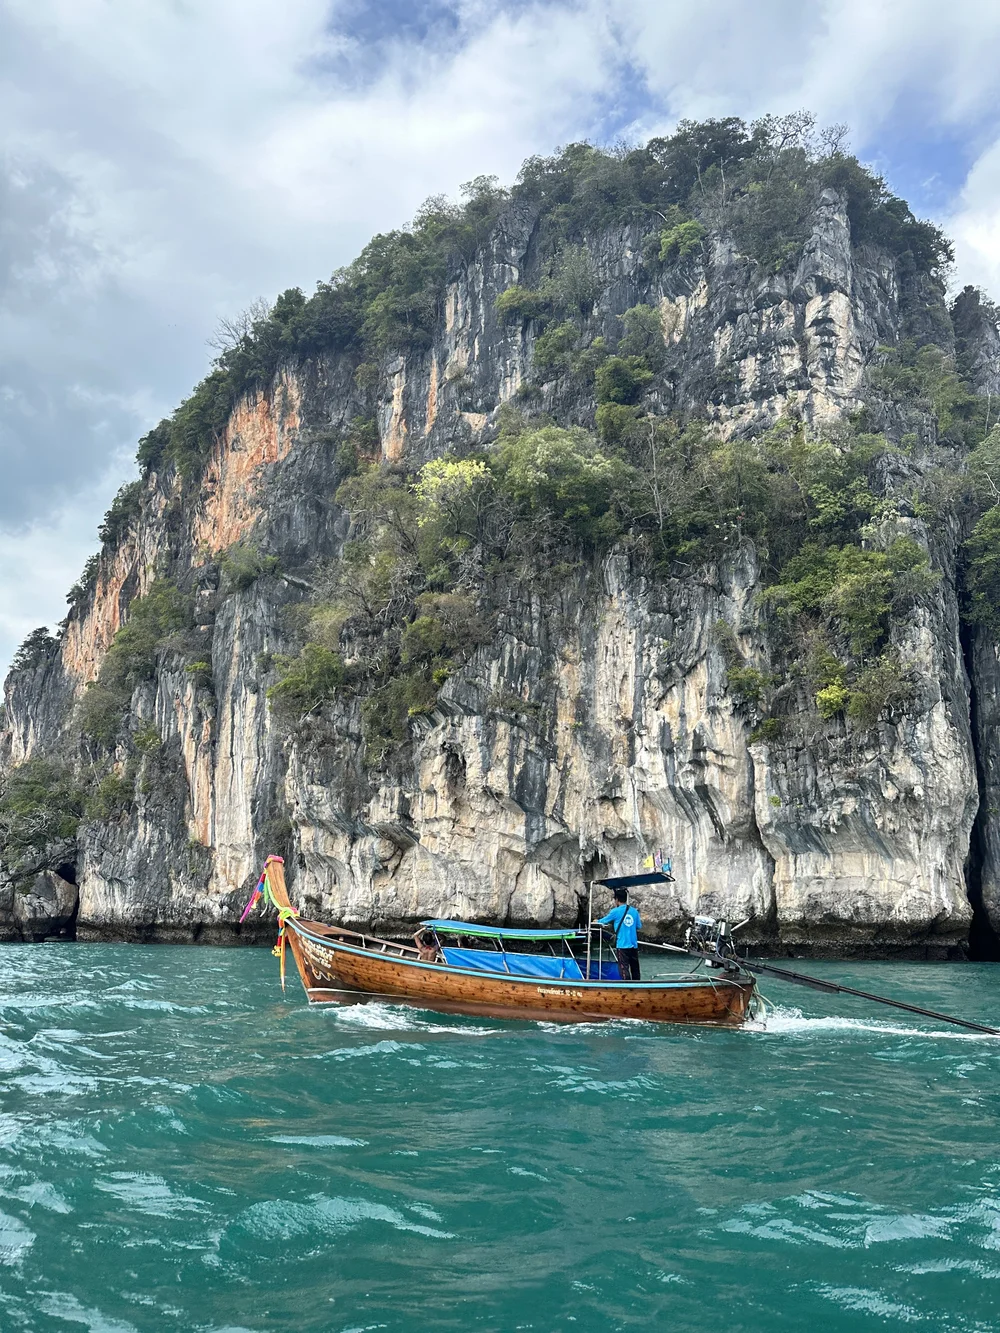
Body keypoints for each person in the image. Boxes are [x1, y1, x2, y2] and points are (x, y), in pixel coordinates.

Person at [595, 888, 642, 981]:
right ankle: (637, 986)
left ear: (617, 900)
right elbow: (639, 926)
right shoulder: (634, 911)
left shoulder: (615, 911)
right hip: (633, 945)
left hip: (622, 945)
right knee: (635, 969)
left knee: (624, 969)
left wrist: (596, 921)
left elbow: (604, 921)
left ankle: (627, 988)